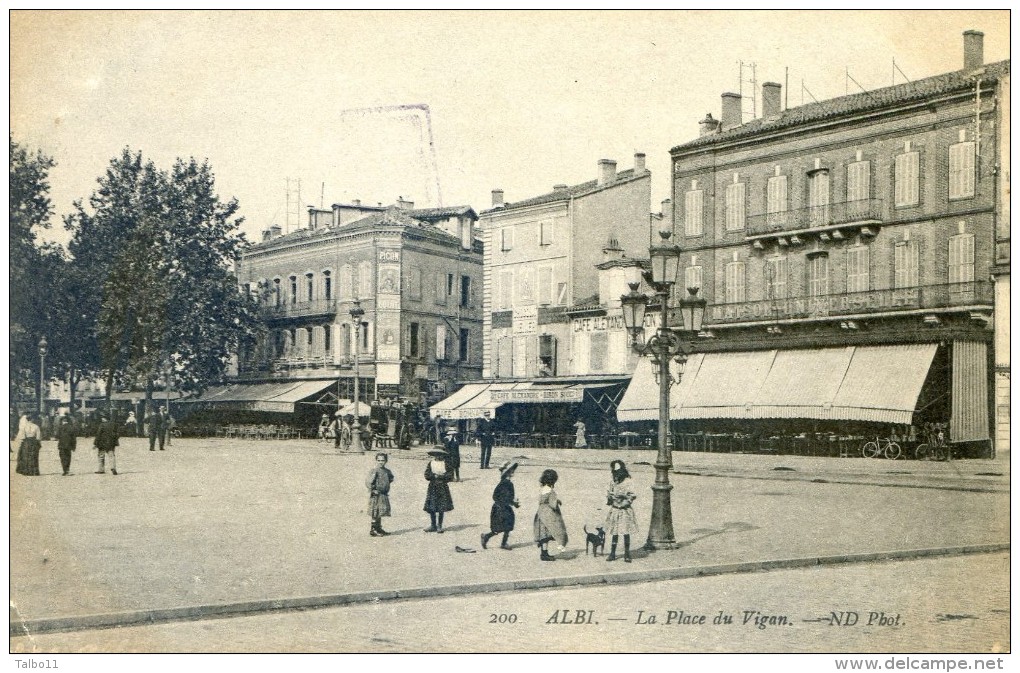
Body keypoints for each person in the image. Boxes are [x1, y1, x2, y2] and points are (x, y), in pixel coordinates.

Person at [604, 460, 638, 563]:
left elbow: (632, 496)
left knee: (625, 531)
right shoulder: (612, 482)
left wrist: (625, 500)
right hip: (615, 509)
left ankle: (627, 553)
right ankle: (612, 553)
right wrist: (610, 497)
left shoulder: (628, 482)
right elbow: (609, 498)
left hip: (624, 510)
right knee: (615, 532)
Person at [481, 461, 519, 550]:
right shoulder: (504, 483)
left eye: (513, 470)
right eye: (511, 471)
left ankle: (502, 542)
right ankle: (486, 537)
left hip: (504, 507)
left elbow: (509, 497)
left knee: (507, 526)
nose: (513, 472)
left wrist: (513, 503)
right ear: (506, 473)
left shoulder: (508, 483)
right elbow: (495, 496)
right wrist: (506, 502)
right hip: (500, 508)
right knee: (499, 527)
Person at [533, 468, 568, 561]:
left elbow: (542, 501)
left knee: (543, 535)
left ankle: (543, 553)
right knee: (548, 535)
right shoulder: (551, 492)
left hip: (540, 514)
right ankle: (544, 554)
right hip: (548, 516)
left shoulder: (542, 489)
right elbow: (553, 504)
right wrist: (558, 502)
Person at [423, 447, 454, 533]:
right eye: (436, 454)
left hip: (442, 487)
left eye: (440, 454)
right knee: (432, 507)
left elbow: (451, 476)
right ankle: (433, 525)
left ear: (443, 455)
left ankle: (439, 525)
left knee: (441, 507)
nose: (438, 456)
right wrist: (433, 476)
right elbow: (426, 475)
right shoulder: (431, 463)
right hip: (433, 486)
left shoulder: (446, 464)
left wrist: (441, 476)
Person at [366, 452, 395, 537]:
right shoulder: (374, 470)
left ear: (386, 461)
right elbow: (368, 482)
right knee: (375, 511)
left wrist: (385, 485)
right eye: (379, 460)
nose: (380, 462)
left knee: (380, 511)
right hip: (376, 494)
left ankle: (379, 528)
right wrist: (373, 489)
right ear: (376, 460)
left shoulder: (387, 471)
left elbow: (391, 478)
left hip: (383, 494)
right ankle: (373, 529)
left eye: (383, 460)